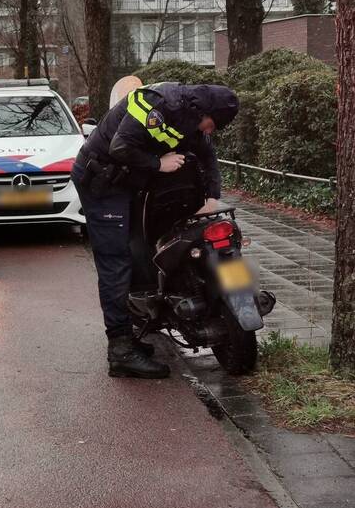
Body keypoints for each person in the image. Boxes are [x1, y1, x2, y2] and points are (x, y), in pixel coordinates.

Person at [70, 82, 239, 379]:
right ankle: (121, 350)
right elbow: (120, 146)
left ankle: (139, 316)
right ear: (203, 111)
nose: (210, 131)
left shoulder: (193, 119)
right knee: (116, 260)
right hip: (102, 181)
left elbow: (208, 156)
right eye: (212, 124)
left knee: (141, 246)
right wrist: (157, 163)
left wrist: (212, 197)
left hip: (131, 181)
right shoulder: (160, 105)